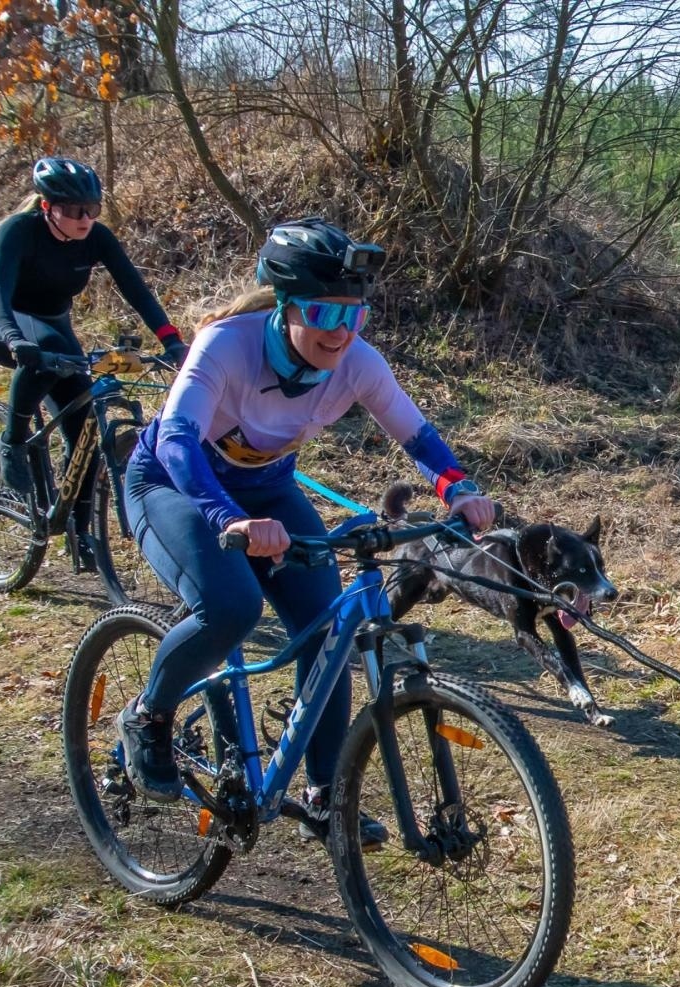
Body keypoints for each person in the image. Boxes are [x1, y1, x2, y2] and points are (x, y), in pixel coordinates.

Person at [117, 217, 499, 848]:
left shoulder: (357, 363)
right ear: (287, 307)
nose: (340, 332)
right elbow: (179, 442)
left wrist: (457, 488)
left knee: (326, 625)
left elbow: (417, 434)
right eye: (323, 313)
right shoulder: (226, 346)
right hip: (170, 486)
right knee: (231, 607)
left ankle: (324, 792)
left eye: (355, 316)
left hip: (266, 492)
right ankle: (149, 716)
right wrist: (228, 520)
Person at [0, 157, 189, 563]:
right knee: (46, 350)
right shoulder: (20, 231)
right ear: (48, 208)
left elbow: (135, 289)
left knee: (83, 424)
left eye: (92, 209)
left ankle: (78, 531)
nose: (85, 219)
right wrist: (14, 339)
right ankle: (11, 441)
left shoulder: (97, 237)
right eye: (74, 211)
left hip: (51, 328)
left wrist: (171, 341)